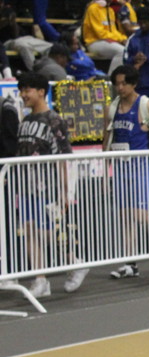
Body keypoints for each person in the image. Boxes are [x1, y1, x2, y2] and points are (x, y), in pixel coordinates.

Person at [15, 71, 89, 297]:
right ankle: (40, 280)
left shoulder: (54, 120)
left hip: (47, 188)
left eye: (27, 90)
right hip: (26, 188)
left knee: (49, 233)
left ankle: (75, 262)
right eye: (21, 90)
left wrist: (65, 191)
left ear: (41, 92)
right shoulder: (25, 121)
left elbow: (64, 158)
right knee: (29, 231)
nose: (23, 94)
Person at [103, 65, 149, 280]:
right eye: (117, 84)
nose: (120, 88)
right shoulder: (112, 108)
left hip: (140, 167)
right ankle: (130, 264)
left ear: (134, 84)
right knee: (125, 216)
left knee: (138, 213)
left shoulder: (147, 106)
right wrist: (105, 169)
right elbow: (106, 140)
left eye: (124, 83)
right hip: (120, 167)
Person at [83, 0, 134, 65]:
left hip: (109, 41)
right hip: (95, 42)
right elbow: (100, 34)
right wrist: (119, 40)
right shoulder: (93, 9)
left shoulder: (110, 10)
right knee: (123, 52)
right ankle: (114, 72)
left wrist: (123, 39)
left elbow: (114, 31)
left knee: (131, 49)